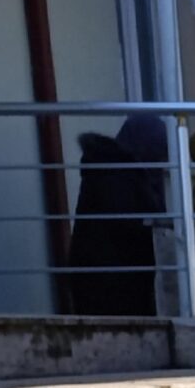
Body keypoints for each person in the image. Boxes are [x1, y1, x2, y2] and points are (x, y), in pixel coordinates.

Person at [64, 114, 169, 316]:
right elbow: (131, 223)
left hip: (107, 274)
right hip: (110, 278)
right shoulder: (116, 172)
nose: (163, 160)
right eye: (160, 150)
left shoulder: (117, 168)